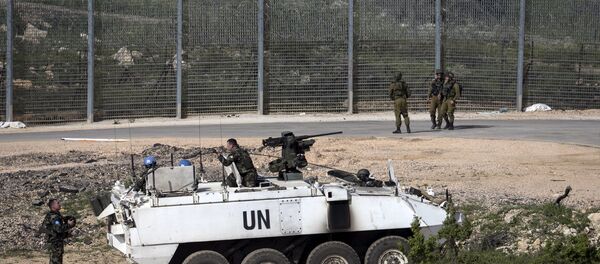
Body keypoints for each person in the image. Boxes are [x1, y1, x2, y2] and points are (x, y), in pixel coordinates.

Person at [42, 198, 76, 264]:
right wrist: (69, 225)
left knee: (56, 260)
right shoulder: (54, 217)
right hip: (55, 243)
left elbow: (55, 230)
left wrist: (66, 234)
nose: (60, 204)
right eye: (58, 203)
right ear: (53, 206)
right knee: (56, 261)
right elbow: (58, 229)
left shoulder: (55, 215)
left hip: (55, 241)